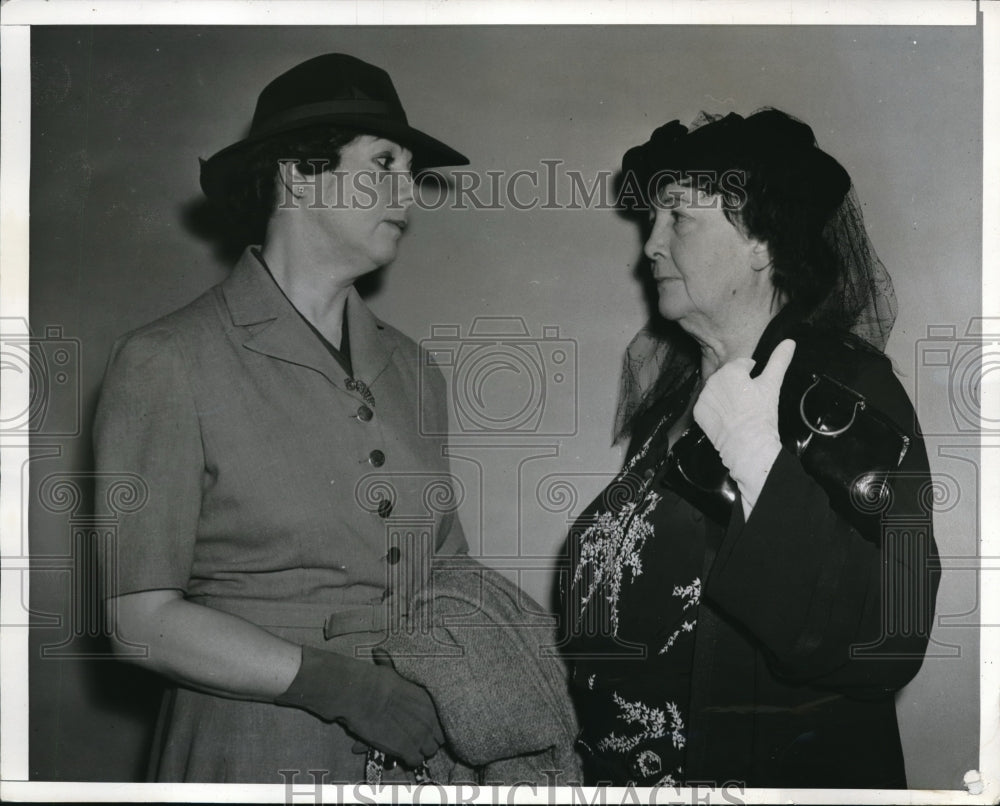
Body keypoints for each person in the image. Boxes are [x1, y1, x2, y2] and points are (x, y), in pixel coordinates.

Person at [94, 53, 471, 783]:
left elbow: (445, 577)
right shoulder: (168, 359)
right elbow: (138, 623)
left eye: (411, 168)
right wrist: (343, 686)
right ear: (298, 172)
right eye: (385, 162)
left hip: (418, 763)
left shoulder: (417, 372)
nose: (408, 193)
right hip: (251, 751)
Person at [560, 109, 939, 788]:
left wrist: (756, 450)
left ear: (762, 242)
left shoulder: (842, 392)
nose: (649, 246)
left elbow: (886, 640)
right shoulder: (667, 418)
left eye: (678, 218)